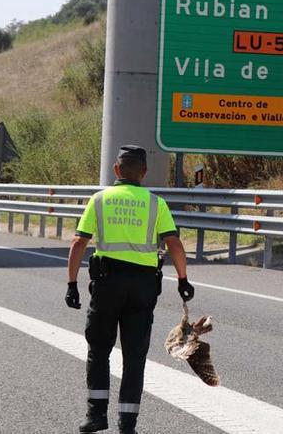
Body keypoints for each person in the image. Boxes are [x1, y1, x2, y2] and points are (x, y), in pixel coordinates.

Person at [65, 145, 194, 434]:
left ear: (116, 170)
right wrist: (183, 279)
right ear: (144, 173)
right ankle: (127, 425)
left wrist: (72, 283)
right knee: (134, 356)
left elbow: (78, 243)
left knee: (99, 349)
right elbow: (173, 244)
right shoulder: (155, 203)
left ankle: (96, 416)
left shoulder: (100, 200)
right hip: (143, 286)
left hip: (108, 284)